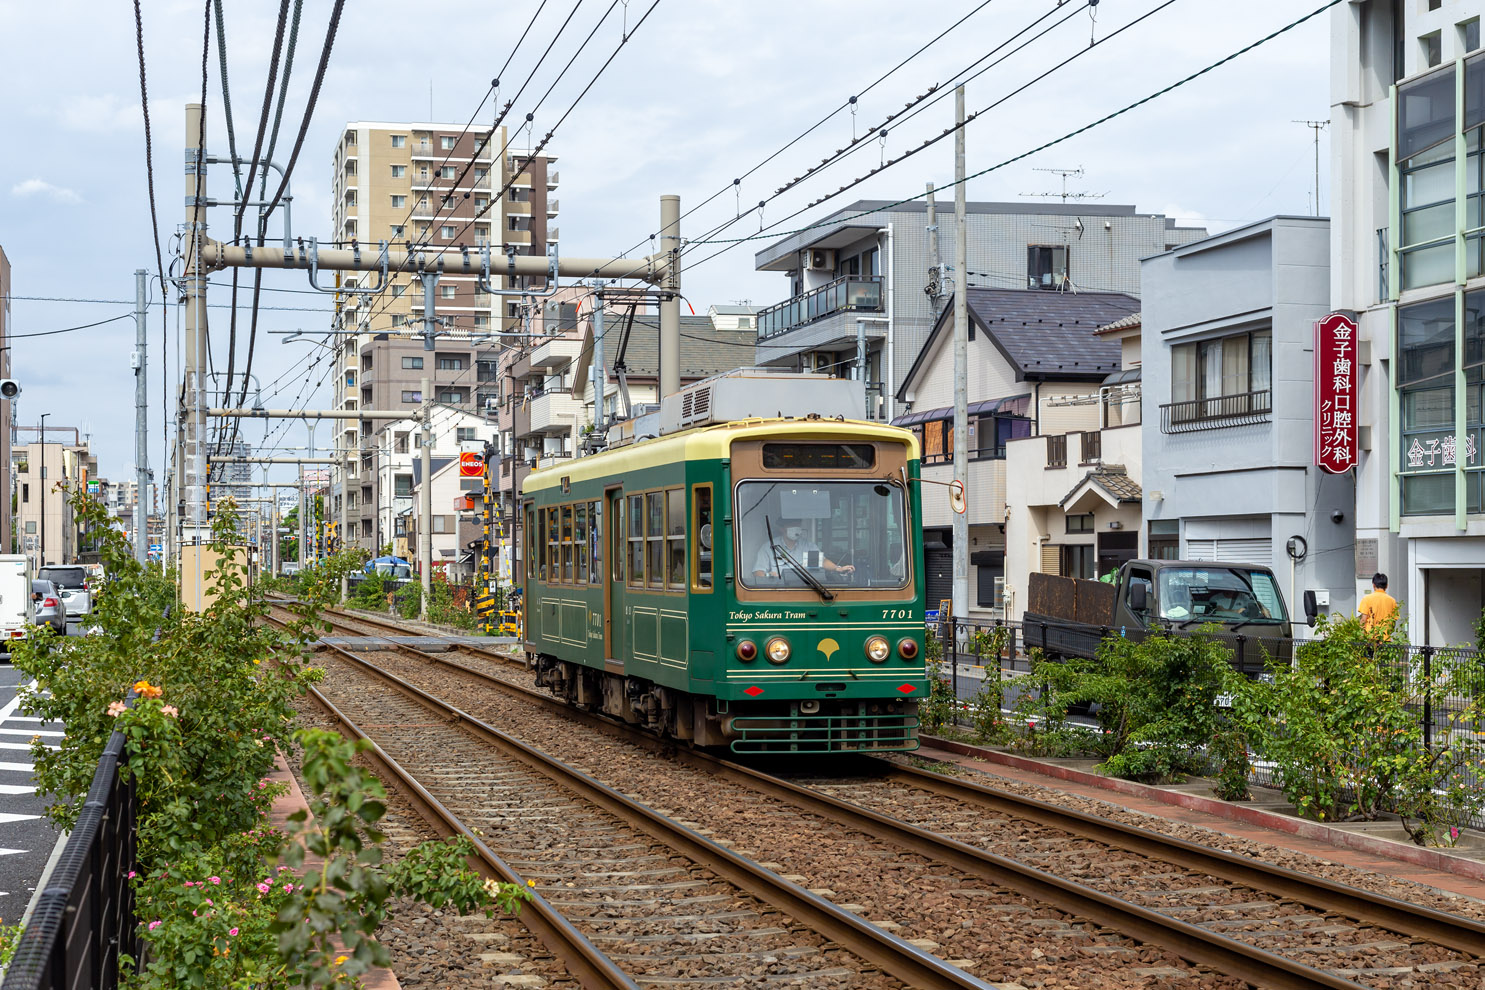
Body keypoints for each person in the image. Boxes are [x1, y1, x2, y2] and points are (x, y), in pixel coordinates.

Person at [751, 518, 854, 580]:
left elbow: (822, 561)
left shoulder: (807, 546)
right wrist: (769, 576)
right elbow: (757, 572)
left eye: (798, 525)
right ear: (782, 528)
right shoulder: (768, 547)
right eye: (792, 525)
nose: (796, 528)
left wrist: (838, 568)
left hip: (804, 590)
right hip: (778, 592)